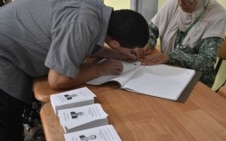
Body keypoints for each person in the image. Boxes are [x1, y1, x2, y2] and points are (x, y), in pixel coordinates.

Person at [0, 0, 149, 140]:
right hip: (5, 52)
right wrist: (99, 69)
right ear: (114, 43)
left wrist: (117, 54)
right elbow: (57, 80)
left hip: (11, 33)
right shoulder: (82, 23)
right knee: (8, 124)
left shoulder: (96, 10)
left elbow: (82, 42)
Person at [141, 0, 226, 87]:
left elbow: (207, 61)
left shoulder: (217, 14)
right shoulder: (173, 3)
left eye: (187, 1)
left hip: (196, 81)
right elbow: (152, 29)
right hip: (168, 69)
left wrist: (170, 57)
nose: (181, 4)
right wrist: (148, 42)